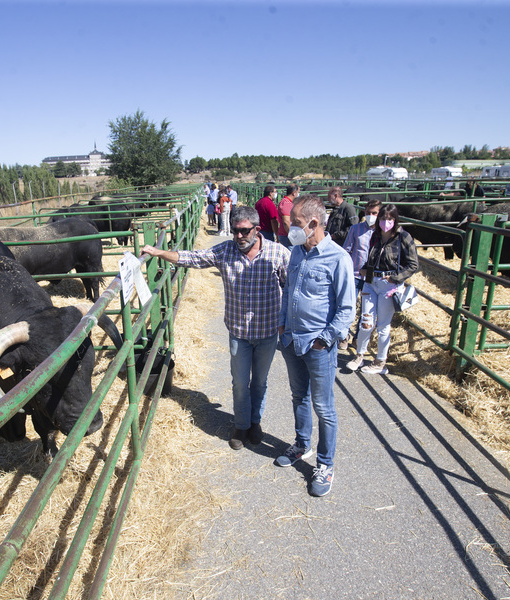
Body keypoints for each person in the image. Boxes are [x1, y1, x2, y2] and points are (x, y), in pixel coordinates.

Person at [142, 206, 290, 451]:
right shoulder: (226, 251)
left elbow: (290, 287)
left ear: (257, 229)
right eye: (235, 231)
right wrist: (158, 252)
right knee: (240, 382)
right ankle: (241, 426)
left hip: (267, 332)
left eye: (244, 231)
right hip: (239, 333)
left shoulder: (278, 253)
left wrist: (287, 323)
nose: (239, 236)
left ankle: (255, 423)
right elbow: (193, 258)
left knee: (260, 382)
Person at [275, 194, 356, 497]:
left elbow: (347, 308)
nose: (290, 227)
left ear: (312, 223)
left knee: (324, 407)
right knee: (299, 396)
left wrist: (325, 340)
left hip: (318, 344)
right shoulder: (296, 251)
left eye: (295, 223)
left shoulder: (338, 258)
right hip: (292, 339)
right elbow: (289, 291)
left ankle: (325, 465)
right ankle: (301, 444)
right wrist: (283, 324)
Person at [345, 204, 419, 375]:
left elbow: (413, 264)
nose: (386, 222)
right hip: (371, 282)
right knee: (366, 321)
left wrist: (396, 278)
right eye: (383, 219)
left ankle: (380, 361)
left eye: (390, 219)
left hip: (389, 285)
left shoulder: (403, 237)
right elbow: (371, 258)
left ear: (395, 219)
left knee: (383, 326)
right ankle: (359, 356)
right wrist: (365, 269)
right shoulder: (375, 236)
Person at [338, 198, 381, 350]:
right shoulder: (355, 229)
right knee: (348, 306)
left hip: (372, 278)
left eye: (374, 213)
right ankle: (343, 336)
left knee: (366, 310)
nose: (371, 216)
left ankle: (358, 338)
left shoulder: (382, 232)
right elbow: (347, 250)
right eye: (368, 213)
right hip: (354, 274)